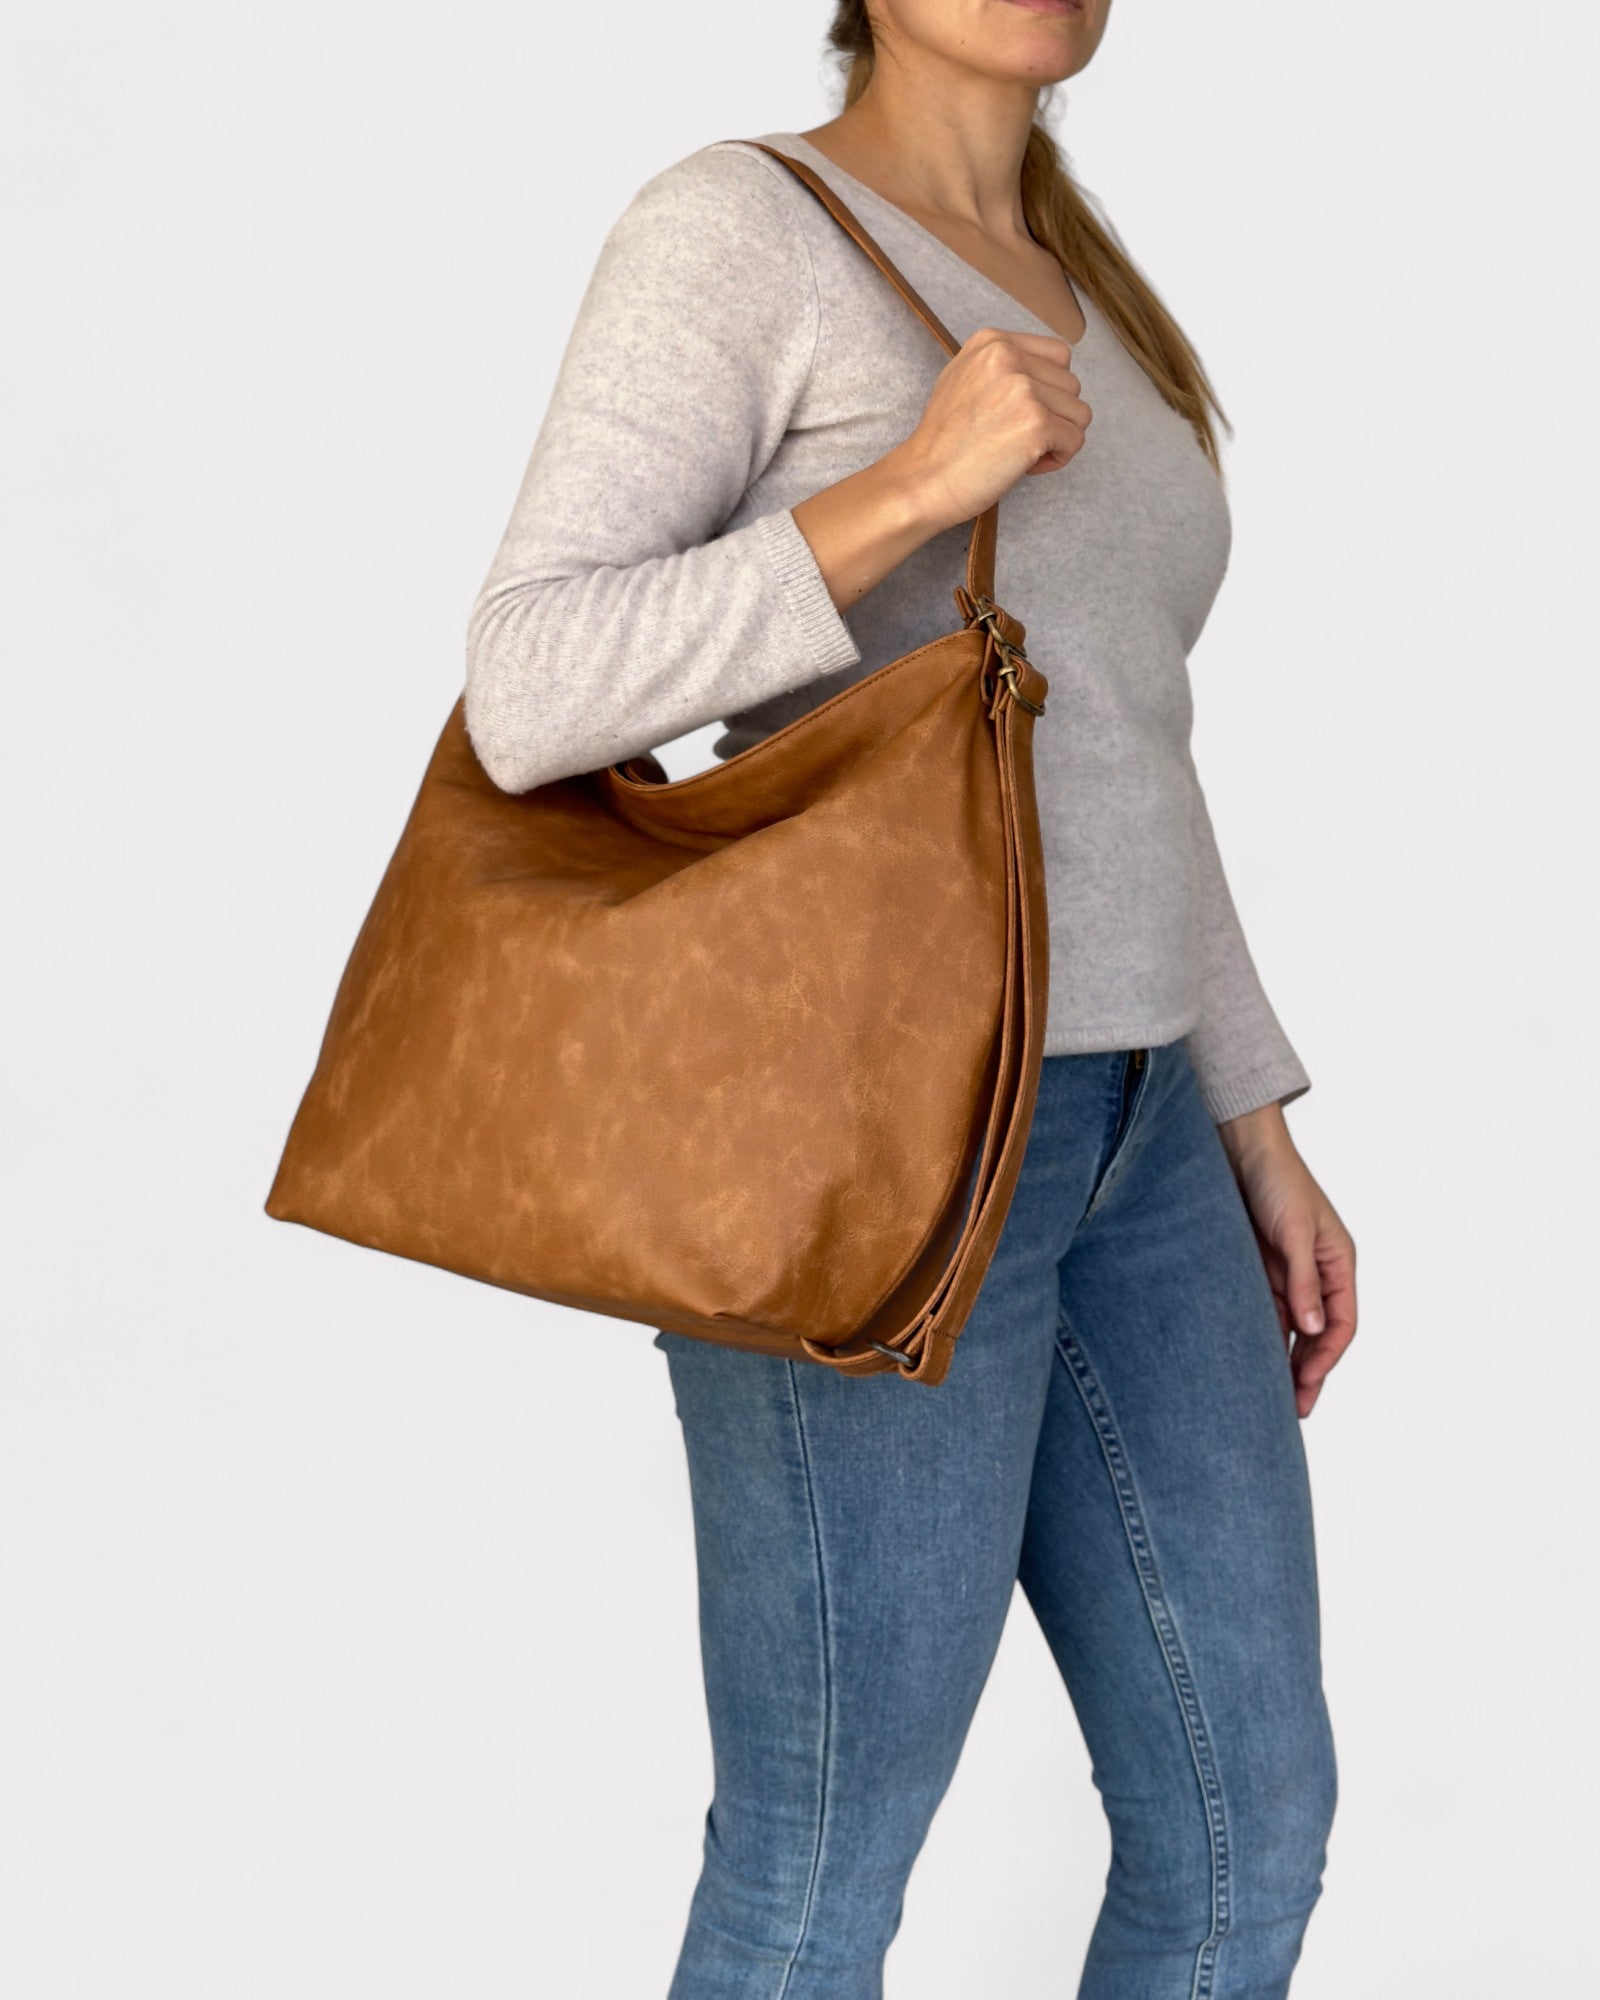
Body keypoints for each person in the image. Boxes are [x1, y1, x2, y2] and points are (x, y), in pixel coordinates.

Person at [463, 3, 1356, 1993]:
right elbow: (529, 690)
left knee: (1243, 1827)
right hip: (868, 1133)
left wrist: (1254, 1119)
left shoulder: (1088, 276)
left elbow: (1120, 732)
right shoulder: (738, 230)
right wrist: (902, 490)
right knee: (818, 1869)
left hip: (1142, 1143)